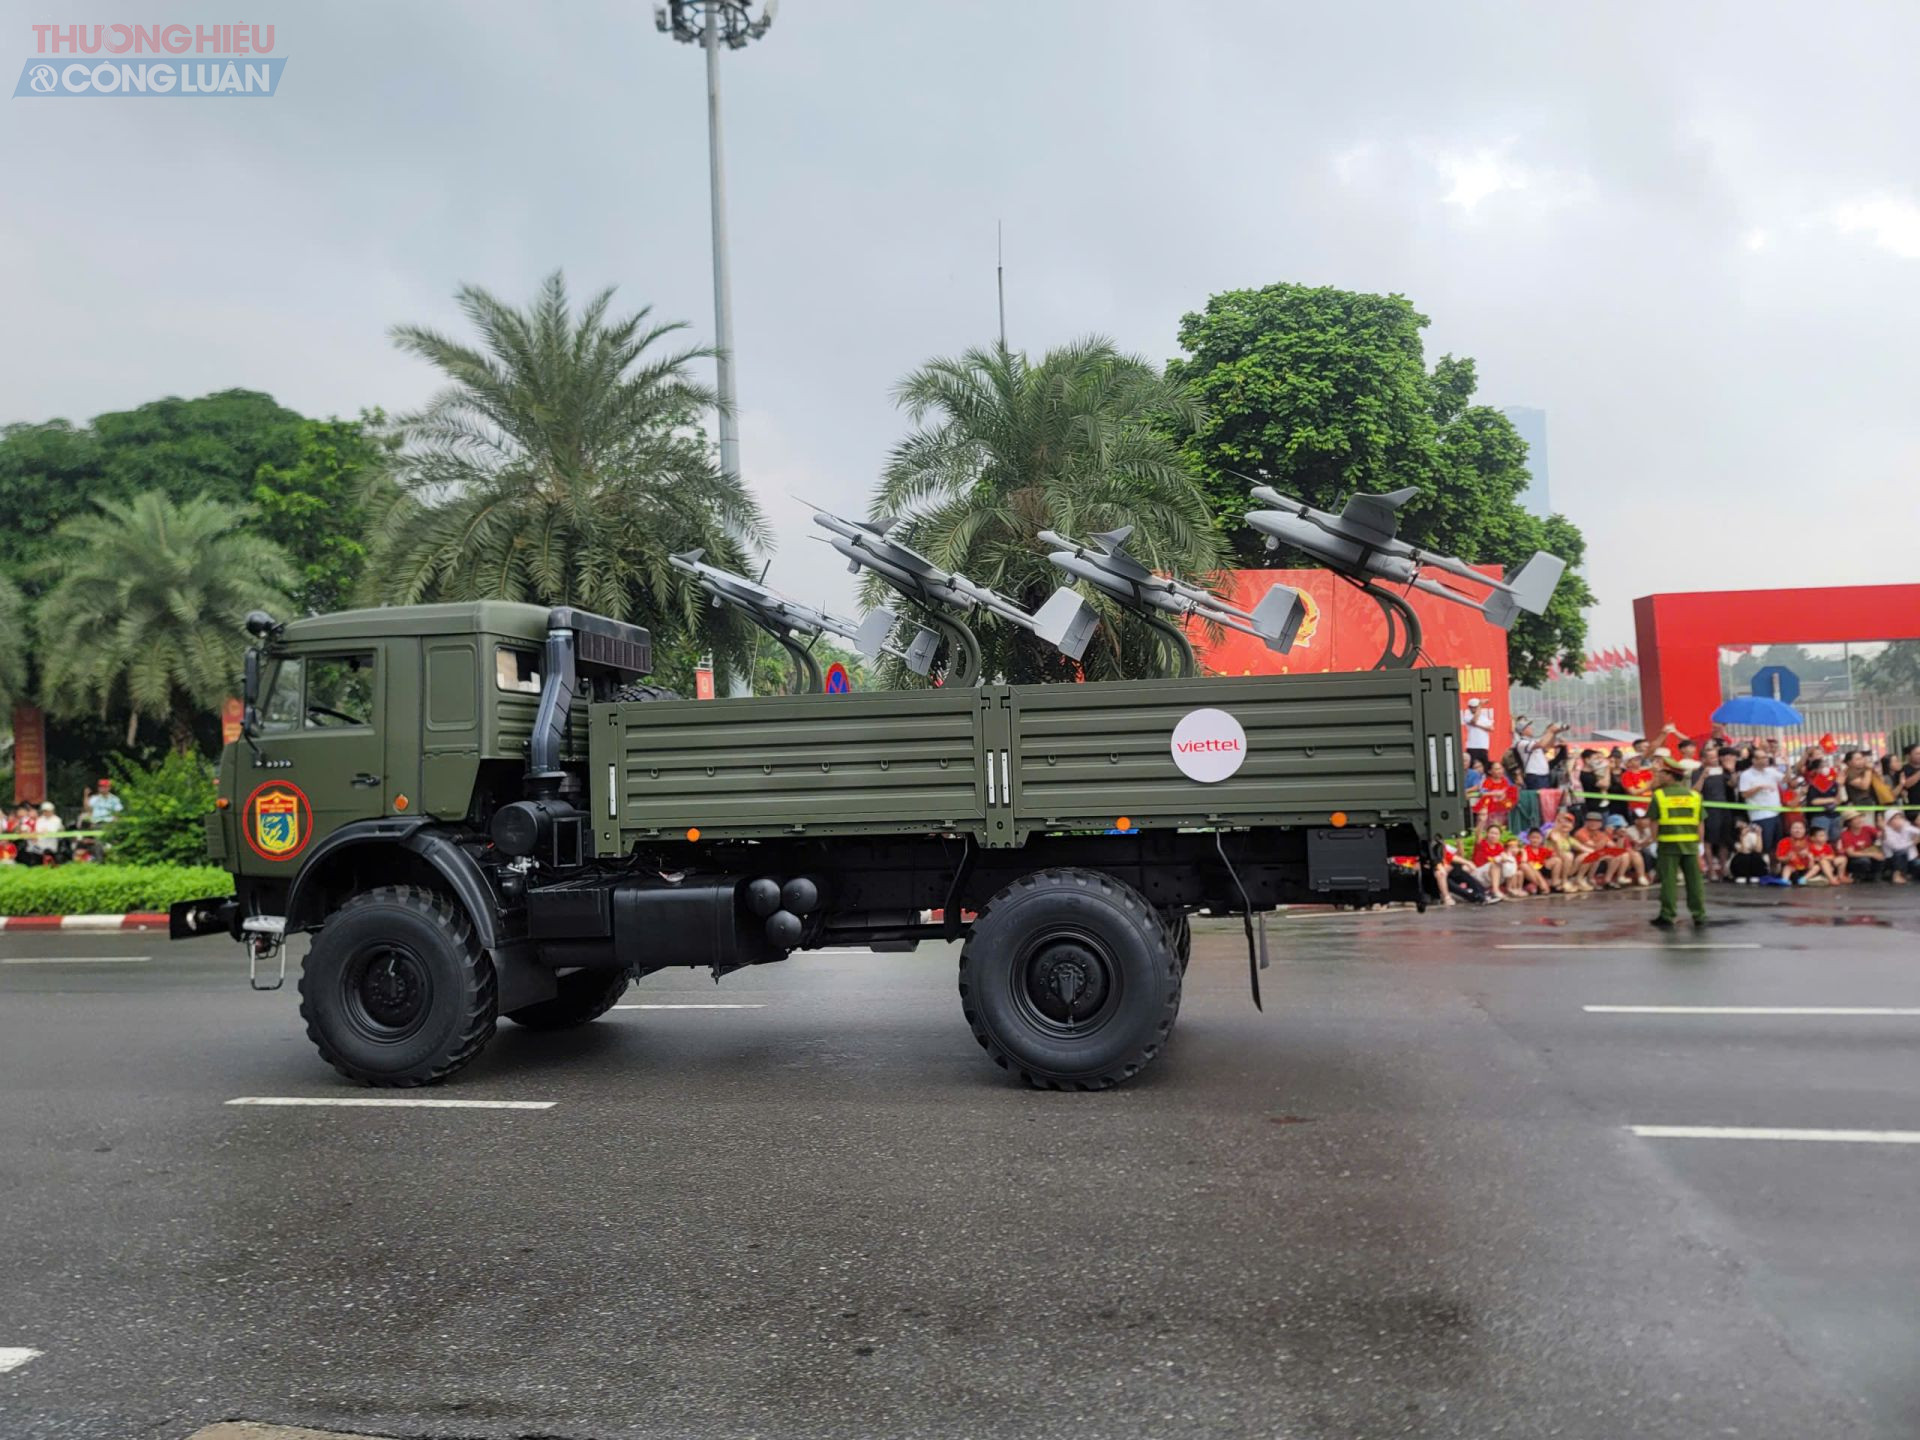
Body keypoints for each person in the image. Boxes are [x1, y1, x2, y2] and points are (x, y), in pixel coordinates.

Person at [1649, 754, 1708, 927]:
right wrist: (1700, 844)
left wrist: (1653, 842)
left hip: (1668, 845)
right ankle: (1699, 915)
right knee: (1694, 882)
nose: (1659, 776)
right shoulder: (1695, 796)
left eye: (1661, 774)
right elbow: (1700, 822)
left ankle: (1667, 915)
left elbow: (1654, 822)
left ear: (1670, 775)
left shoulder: (1659, 796)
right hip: (1691, 845)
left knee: (1668, 882)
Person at [1699, 749, 1740, 879]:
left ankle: (1724, 869)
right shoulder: (1698, 772)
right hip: (1708, 810)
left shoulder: (1722, 771)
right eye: (1711, 757)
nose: (1715, 760)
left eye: (1716, 757)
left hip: (1724, 810)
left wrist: (1732, 771)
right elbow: (1694, 790)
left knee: (1724, 840)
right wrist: (1703, 777)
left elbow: (1733, 785)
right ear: (1704, 759)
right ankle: (1710, 870)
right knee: (1709, 841)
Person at [1738, 751, 1787, 854]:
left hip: (1776, 813)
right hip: (1760, 816)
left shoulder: (1771, 771)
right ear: (1754, 760)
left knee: (1777, 846)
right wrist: (1759, 787)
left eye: (1766, 757)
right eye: (1762, 758)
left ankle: (1774, 868)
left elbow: (1787, 780)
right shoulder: (1746, 775)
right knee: (1764, 846)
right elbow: (1744, 794)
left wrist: (1788, 766)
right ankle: (1764, 867)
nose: (1766, 760)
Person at [1513, 717, 1565, 792]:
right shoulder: (1521, 743)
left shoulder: (1532, 741)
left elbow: (1548, 745)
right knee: (1538, 800)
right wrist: (1550, 731)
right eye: (1528, 727)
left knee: (1545, 799)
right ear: (1522, 731)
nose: (1531, 728)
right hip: (1534, 776)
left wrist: (1554, 733)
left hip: (1544, 775)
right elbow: (1542, 744)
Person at [1836, 811, 1883, 883]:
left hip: (1868, 853)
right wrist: (1872, 854)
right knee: (1863, 861)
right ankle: (1857, 876)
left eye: (1859, 818)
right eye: (1855, 819)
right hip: (1854, 859)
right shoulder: (1846, 834)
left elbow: (1881, 836)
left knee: (1882, 856)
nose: (1859, 820)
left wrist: (1883, 827)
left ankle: (1874, 875)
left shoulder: (1867, 829)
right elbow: (1851, 853)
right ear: (1849, 823)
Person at [1881, 808, 1917, 883]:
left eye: (1900, 817)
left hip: (1910, 858)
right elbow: (1896, 848)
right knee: (1900, 852)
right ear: (1889, 821)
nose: (1898, 820)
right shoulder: (1886, 832)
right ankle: (1896, 875)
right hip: (1892, 858)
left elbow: (1917, 832)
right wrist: (1913, 842)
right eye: (1895, 818)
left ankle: (1906, 873)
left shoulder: (1906, 827)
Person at [1773, 818, 1815, 884]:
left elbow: (1817, 859)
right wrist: (1788, 857)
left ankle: (1804, 879)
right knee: (1788, 867)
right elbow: (1779, 858)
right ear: (1790, 830)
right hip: (1792, 869)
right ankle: (1785, 880)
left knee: (1816, 866)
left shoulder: (1810, 841)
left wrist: (1810, 856)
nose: (1798, 830)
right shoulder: (1784, 841)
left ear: (1805, 830)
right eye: (1795, 828)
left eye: (1801, 828)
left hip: (1807, 869)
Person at [1461, 697, 1495, 770]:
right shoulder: (1467, 716)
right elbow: (1474, 720)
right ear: (1469, 707)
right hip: (1472, 746)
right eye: (1473, 707)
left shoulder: (1484, 718)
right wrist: (1480, 706)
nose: (1475, 709)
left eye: (1476, 707)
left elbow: (1491, 728)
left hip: (1483, 746)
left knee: (1485, 768)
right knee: (1472, 767)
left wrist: (1477, 725)